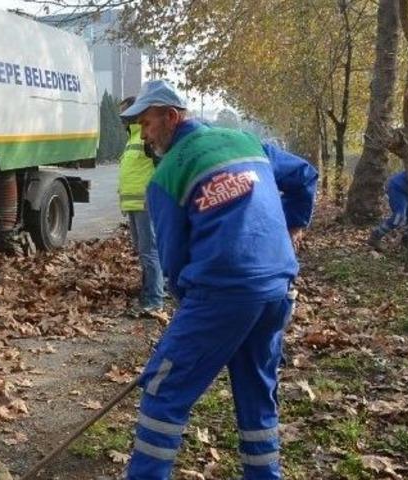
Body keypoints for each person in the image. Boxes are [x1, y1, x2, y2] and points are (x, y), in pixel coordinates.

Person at [120, 80, 317, 480]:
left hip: (221, 294)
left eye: (147, 123)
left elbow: (173, 262)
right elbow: (305, 177)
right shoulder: (248, 142)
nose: (143, 134)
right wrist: (292, 225)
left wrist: (192, 314)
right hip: (277, 289)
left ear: (172, 117)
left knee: (163, 392)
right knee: (257, 389)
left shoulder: (167, 176)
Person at [118, 96, 165, 316]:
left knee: (149, 252)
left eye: (125, 114)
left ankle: (154, 300)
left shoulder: (146, 138)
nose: (122, 119)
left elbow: (161, 168)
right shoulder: (133, 137)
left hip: (145, 204)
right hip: (134, 204)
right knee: (143, 251)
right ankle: (148, 293)